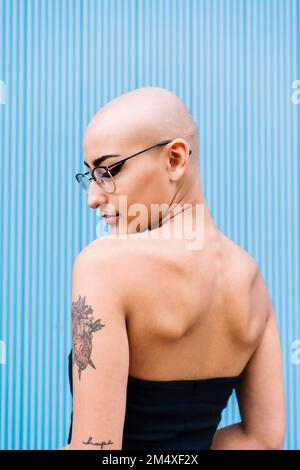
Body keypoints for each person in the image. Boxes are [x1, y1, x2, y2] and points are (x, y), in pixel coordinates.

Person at [61, 86, 286, 450]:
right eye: (90, 176)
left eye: (108, 170)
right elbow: (263, 438)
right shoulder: (250, 278)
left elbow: (96, 449)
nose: (92, 197)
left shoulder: (103, 265)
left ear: (175, 159)